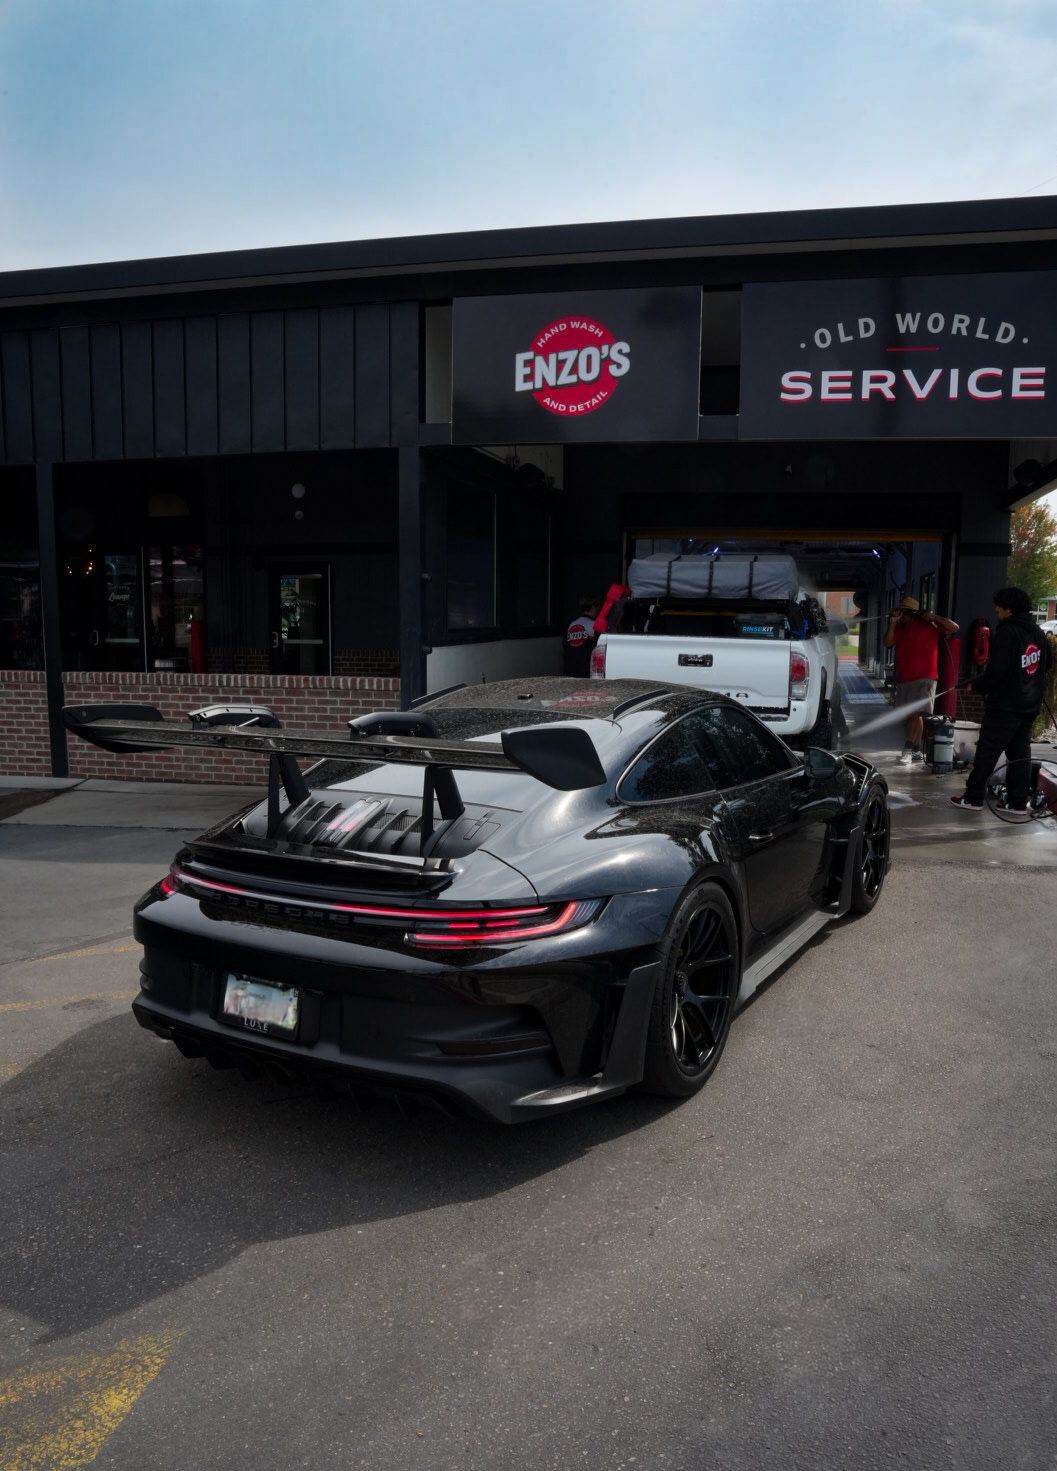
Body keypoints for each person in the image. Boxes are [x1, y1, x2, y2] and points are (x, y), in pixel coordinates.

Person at [950, 585, 1053, 812]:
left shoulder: (1007, 632)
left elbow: (996, 671)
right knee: (1019, 755)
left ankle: (973, 798)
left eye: (999, 607)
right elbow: (1046, 664)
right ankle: (1017, 802)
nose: (996, 610)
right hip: (1029, 706)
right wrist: (1027, 680)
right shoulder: (1037, 632)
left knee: (987, 752)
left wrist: (976, 685)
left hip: (1005, 707)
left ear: (1009, 608)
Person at [884, 595, 960, 764]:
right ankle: (917, 750)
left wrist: (934, 617)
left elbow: (954, 627)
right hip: (905, 678)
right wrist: (893, 622)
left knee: (915, 713)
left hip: (926, 677)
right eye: (899, 613)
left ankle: (908, 749)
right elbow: (887, 643)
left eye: (904, 613)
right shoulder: (899, 628)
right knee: (911, 716)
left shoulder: (929, 626)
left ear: (913, 614)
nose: (901, 616)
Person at [563, 595, 601, 676]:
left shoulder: (572, 624)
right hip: (586, 670)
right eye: (597, 608)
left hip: (570, 668)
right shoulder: (595, 625)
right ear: (593, 607)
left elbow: (565, 646)